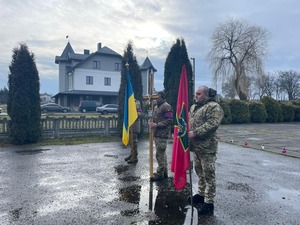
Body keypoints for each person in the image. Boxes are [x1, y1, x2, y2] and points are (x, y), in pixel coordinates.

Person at [188, 86, 224, 215]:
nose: (196, 96)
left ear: (206, 95)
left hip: (207, 148)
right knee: (199, 172)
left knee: (209, 175)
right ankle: (201, 194)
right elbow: (190, 122)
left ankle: (209, 203)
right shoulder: (194, 107)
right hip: (196, 147)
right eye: (195, 94)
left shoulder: (214, 107)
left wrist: (195, 133)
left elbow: (213, 124)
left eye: (198, 94)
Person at [149, 91, 173, 181]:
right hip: (157, 133)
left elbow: (169, 120)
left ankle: (160, 173)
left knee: (160, 154)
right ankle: (164, 172)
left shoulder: (166, 106)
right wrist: (151, 122)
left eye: (157, 97)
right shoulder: (156, 107)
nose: (156, 99)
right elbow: (155, 118)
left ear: (162, 97)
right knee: (162, 154)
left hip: (162, 134)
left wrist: (157, 125)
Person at [124, 99, 143, 164]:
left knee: (134, 142)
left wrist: (133, 114)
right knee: (131, 142)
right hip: (129, 124)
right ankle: (132, 154)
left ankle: (134, 158)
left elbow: (139, 113)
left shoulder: (136, 102)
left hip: (134, 125)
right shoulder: (128, 101)